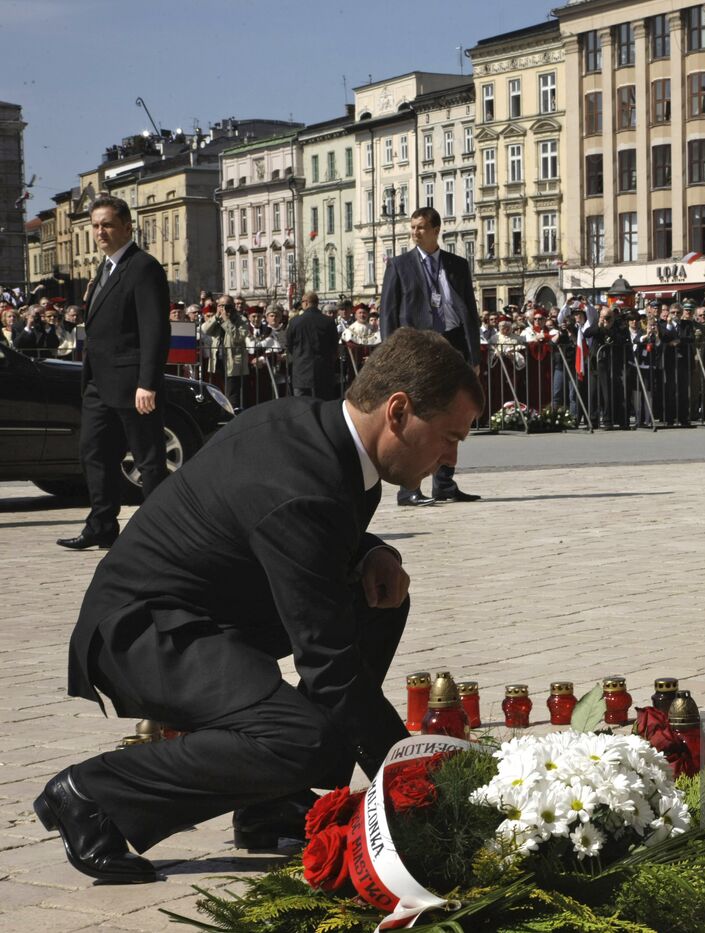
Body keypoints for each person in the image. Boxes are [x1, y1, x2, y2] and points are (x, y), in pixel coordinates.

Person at [38, 329, 483, 884]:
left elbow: (298, 535)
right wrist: (414, 784)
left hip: (208, 610)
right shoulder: (303, 484)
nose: (452, 458)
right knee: (302, 738)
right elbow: (329, 668)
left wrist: (374, 550)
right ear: (397, 411)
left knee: (380, 599)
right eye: (448, 437)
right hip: (141, 632)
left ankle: (270, 800)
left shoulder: (321, 433)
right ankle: (91, 794)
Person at [58, 196, 171, 551]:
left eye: (106, 224)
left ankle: (158, 534)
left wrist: (147, 383)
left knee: (148, 459)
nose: (99, 232)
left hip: (131, 383)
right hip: (98, 382)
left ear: (126, 227)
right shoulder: (104, 269)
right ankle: (102, 525)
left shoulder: (143, 267)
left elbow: (155, 329)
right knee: (94, 453)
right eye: (94, 225)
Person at [379, 206, 482, 507]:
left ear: (436, 230)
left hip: (452, 345)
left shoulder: (457, 265)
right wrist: (392, 356)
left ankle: (445, 483)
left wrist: (473, 356)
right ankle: (408, 487)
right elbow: (388, 314)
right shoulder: (399, 266)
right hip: (417, 348)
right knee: (417, 418)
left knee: (453, 414)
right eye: (413, 227)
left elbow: (470, 315)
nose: (415, 232)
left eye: (421, 227)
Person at [285, 291, 340, 401]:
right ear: (317, 303)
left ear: (305, 303)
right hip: (323, 371)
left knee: (301, 407)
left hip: (301, 372)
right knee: (322, 406)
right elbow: (334, 346)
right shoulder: (328, 322)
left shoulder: (295, 322)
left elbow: (289, 344)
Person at [202, 296, 253, 410]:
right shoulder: (217, 318)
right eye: (220, 305)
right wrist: (216, 317)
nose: (224, 309)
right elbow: (205, 330)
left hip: (233, 363)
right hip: (217, 360)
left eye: (227, 306)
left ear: (233, 306)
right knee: (217, 392)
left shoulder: (241, 319)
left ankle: (230, 416)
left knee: (231, 394)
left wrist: (227, 321)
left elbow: (238, 337)